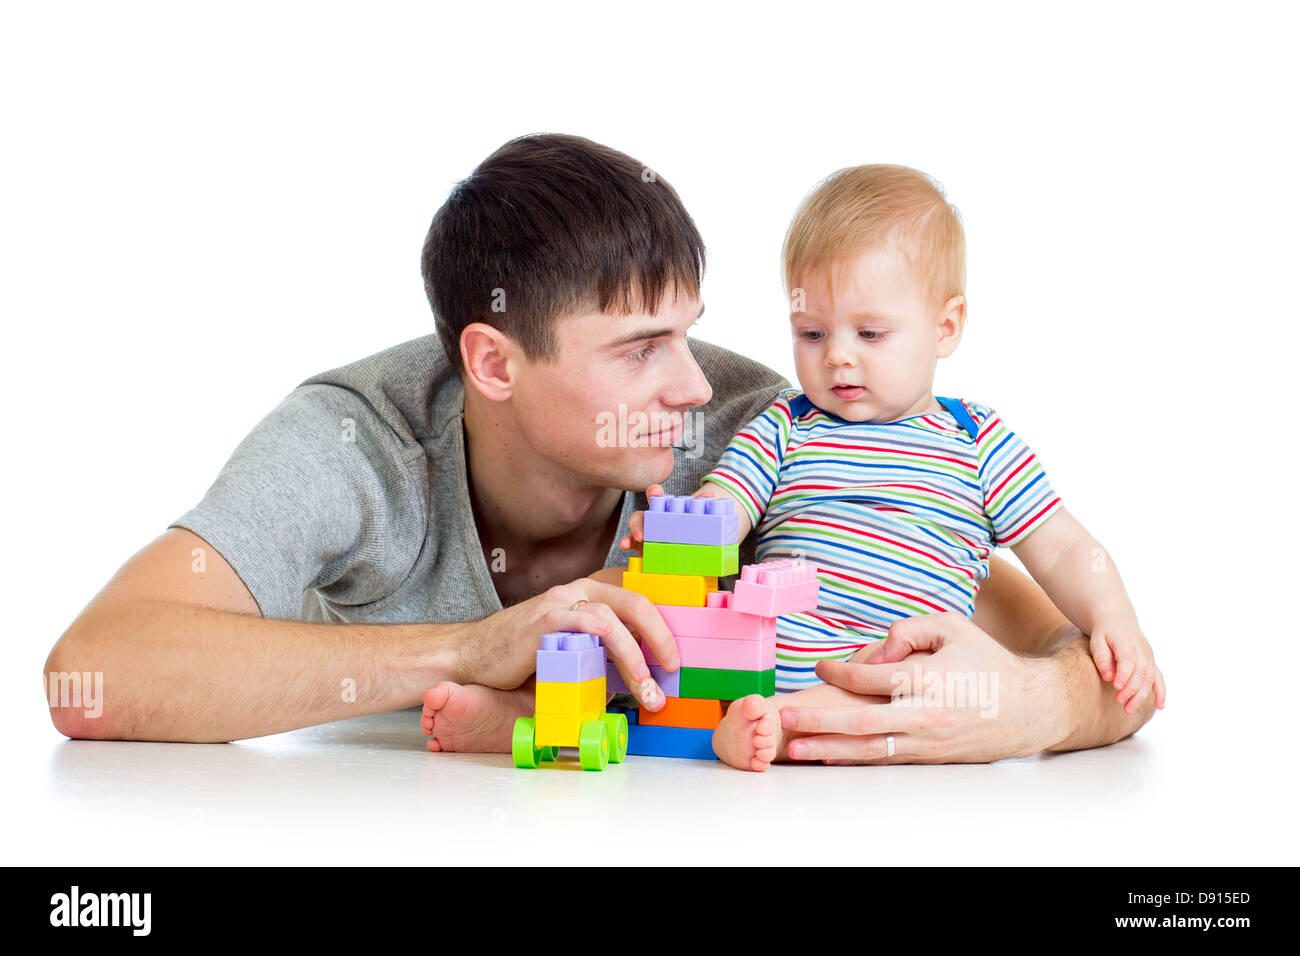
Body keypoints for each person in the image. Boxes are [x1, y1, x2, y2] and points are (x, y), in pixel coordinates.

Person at [43, 134, 1154, 763]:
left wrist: (1036, 706)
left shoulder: (763, 422)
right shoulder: (352, 444)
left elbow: (1080, 647)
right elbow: (95, 673)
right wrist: (469, 649)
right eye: (637, 349)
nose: (689, 382)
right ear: (493, 362)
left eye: (687, 328)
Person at [620, 164, 1166, 770]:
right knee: (735, 679)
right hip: (783, 662)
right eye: (811, 332)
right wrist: (693, 522)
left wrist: (1114, 618)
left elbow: (1063, 547)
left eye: (871, 333)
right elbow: (732, 498)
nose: (838, 357)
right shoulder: (787, 424)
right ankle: (754, 724)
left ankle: (777, 729)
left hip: (912, 678)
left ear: (946, 326)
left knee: (902, 689)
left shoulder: (977, 441)